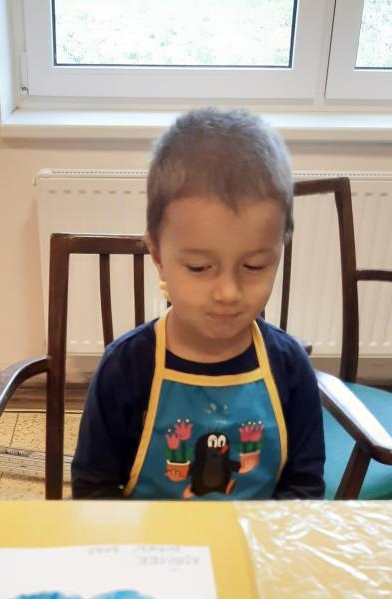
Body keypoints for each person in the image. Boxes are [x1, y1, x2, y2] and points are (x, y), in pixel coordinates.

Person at [71, 108, 325, 501]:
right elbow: (94, 488)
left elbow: (303, 488)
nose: (228, 292)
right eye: (199, 267)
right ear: (157, 254)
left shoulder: (290, 368)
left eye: (254, 266)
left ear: (280, 250)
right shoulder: (126, 367)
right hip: (149, 537)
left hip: (255, 536)